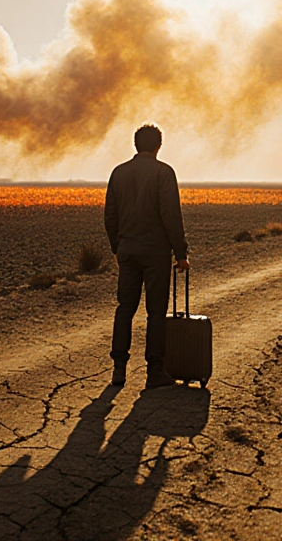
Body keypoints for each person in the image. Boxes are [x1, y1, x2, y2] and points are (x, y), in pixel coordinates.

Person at [103, 124, 190, 388]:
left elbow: (110, 216)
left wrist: (117, 247)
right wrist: (181, 253)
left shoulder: (118, 173)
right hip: (155, 252)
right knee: (156, 311)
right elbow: (171, 215)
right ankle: (154, 372)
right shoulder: (163, 173)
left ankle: (119, 369)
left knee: (125, 308)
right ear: (158, 146)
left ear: (136, 144)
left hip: (128, 250)